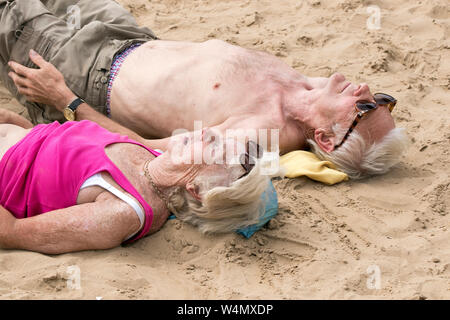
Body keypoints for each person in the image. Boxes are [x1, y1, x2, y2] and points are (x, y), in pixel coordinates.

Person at [1, 0, 408, 179]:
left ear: (324, 137)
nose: (367, 89)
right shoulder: (313, 95)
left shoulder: (258, 135)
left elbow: (148, 149)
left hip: (85, 72)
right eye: (383, 99)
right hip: (129, 38)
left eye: (366, 107)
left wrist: (63, 99)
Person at [0, 108, 269, 254]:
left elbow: (11, 232)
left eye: (215, 149)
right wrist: (17, 123)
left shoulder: (123, 212)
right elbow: (56, 151)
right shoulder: (154, 155)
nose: (208, 132)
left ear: (197, 189)